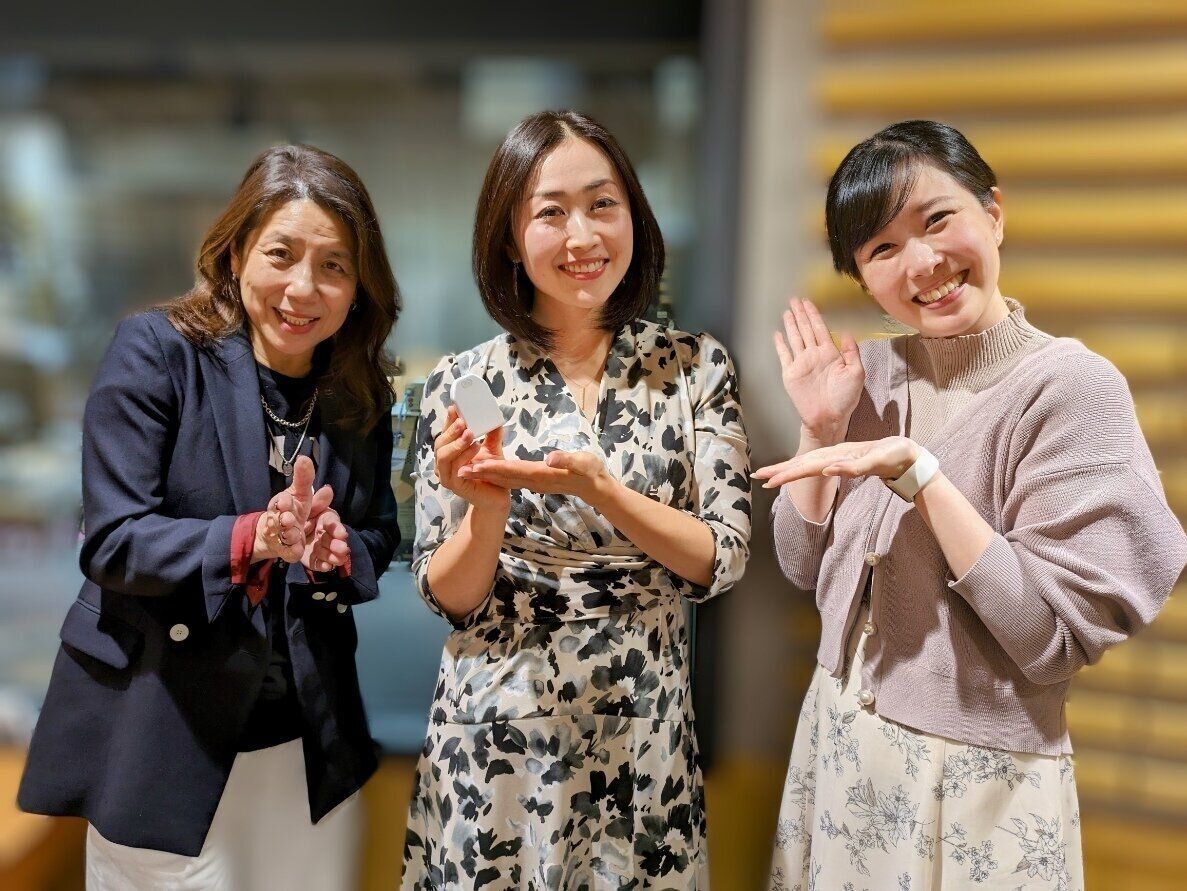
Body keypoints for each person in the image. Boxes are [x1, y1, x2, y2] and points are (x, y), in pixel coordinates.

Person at [758, 120, 1187, 890]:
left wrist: (922, 477)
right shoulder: (867, 375)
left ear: (992, 213)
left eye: (936, 220)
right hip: (839, 736)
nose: (921, 262)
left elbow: (1045, 639)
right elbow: (801, 566)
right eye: (881, 248)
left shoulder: (1072, 389)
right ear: (861, 277)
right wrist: (818, 425)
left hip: (975, 773)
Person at [18, 144, 401, 890]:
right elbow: (114, 541)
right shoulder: (157, 352)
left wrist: (336, 548)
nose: (303, 287)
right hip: (164, 729)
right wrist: (252, 537)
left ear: (359, 287)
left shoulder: (358, 390)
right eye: (281, 254)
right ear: (234, 254)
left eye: (334, 265)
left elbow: (378, 533)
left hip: (305, 742)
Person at [402, 110, 752, 887]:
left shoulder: (695, 367)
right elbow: (447, 595)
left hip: (644, 728)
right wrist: (486, 508)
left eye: (602, 205)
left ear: (635, 216)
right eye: (550, 212)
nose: (582, 235)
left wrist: (602, 491)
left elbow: (721, 559)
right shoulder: (462, 381)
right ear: (508, 238)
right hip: (497, 736)